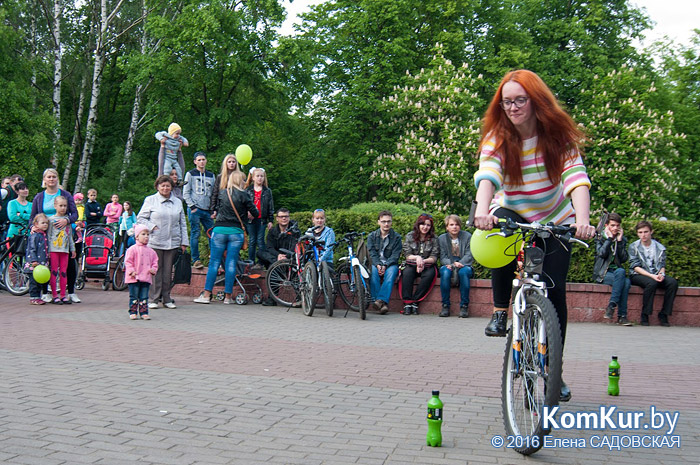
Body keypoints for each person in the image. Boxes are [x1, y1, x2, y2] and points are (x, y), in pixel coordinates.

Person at [472, 69, 595, 402]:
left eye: (519, 100)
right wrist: (482, 210)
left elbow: (576, 179)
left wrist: (582, 219)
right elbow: (488, 175)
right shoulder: (497, 137)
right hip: (511, 211)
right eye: (506, 101)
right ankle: (501, 311)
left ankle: (554, 370)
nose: (512, 107)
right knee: (500, 233)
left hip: (555, 218)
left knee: (555, 296)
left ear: (535, 100)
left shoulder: (556, 137)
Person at [194, 171, 258, 304]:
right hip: (236, 232)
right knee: (231, 264)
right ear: (240, 180)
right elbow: (255, 212)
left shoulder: (223, 193)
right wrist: (246, 214)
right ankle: (228, 297)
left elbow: (217, 208)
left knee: (214, 263)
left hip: (219, 230)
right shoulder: (244, 195)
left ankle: (206, 295)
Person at [137, 175, 188, 309]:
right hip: (155, 241)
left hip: (172, 241)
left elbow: (182, 222)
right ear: (157, 187)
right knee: (156, 270)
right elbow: (140, 218)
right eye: (162, 185)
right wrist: (152, 227)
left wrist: (184, 242)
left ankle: (167, 298)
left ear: (172, 187)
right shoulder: (151, 200)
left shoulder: (177, 202)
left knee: (168, 272)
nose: (165, 188)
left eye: (168, 186)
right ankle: (153, 298)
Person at [30, 168, 81, 303]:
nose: (51, 179)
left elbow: (75, 214)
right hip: (45, 235)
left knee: (69, 264)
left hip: (65, 233)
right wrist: (33, 227)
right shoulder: (39, 197)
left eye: (54, 177)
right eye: (49, 177)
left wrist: (67, 220)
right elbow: (33, 217)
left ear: (57, 178)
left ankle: (70, 292)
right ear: (44, 180)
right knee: (47, 264)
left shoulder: (66, 195)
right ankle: (46, 292)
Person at [629, 221, 678, 327]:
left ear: (651, 232)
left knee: (672, 283)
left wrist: (662, 275)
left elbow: (662, 265)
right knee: (651, 283)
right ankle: (645, 314)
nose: (643, 235)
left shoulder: (660, 247)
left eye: (646, 232)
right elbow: (635, 267)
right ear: (637, 234)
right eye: (640, 232)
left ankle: (664, 314)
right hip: (638, 275)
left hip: (655, 274)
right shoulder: (634, 246)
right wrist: (652, 276)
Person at [592, 213, 632, 326]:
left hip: (617, 274)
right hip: (603, 273)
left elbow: (624, 258)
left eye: (617, 226)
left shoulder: (622, 239)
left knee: (625, 280)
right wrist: (609, 239)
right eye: (613, 225)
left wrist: (619, 242)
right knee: (623, 277)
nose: (615, 228)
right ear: (606, 226)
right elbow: (601, 254)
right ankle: (622, 316)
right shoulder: (600, 238)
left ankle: (612, 306)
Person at [258, 208, 301, 306]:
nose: (284, 218)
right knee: (261, 253)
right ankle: (272, 299)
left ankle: (300, 298)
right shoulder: (272, 231)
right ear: (277, 219)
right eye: (281, 216)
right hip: (276, 258)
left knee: (273, 266)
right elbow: (269, 247)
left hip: (291, 258)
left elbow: (295, 246)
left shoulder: (295, 230)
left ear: (289, 218)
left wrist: (286, 256)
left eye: (286, 216)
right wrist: (278, 256)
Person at [183, 151, 216, 269]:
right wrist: (192, 206)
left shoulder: (211, 176)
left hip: (207, 210)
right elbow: (186, 192)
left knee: (212, 234)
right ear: (195, 161)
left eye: (203, 159)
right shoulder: (190, 174)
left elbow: (214, 193)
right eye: (199, 160)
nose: (201, 162)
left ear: (206, 161)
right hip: (195, 209)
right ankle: (196, 259)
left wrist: (213, 209)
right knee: (195, 233)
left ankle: (214, 258)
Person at [401, 213, 439, 315]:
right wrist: (417, 258)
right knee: (407, 273)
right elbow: (408, 255)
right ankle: (407, 303)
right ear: (418, 225)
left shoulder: (434, 238)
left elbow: (434, 257)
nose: (425, 227)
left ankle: (415, 302)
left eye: (428, 225)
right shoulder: (410, 236)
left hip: (427, 265)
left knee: (430, 275)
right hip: (412, 263)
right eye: (423, 224)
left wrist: (423, 261)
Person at [437, 214, 473, 318]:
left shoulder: (467, 237)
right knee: (445, 272)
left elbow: (469, 254)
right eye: (451, 225)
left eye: (457, 224)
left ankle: (464, 306)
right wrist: (452, 264)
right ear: (447, 227)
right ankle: (445, 305)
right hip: (448, 264)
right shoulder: (442, 239)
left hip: (464, 264)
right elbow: (442, 257)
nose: (454, 227)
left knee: (464, 273)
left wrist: (460, 263)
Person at [367, 210, 402, 315]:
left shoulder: (396, 237)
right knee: (373, 275)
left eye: (388, 221)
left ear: (391, 222)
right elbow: (372, 253)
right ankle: (382, 305)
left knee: (390, 275)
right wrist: (378, 265)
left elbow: (395, 255)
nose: (386, 224)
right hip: (375, 263)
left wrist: (385, 266)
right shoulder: (372, 236)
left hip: (390, 264)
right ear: (378, 222)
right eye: (383, 221)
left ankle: (378, 301)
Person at [124, 225, 159, 320]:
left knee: (144, 296)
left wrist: (153, 269)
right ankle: (133, 311)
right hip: (134, 277)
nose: (146, 236)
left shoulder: (151, 251)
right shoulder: (132, 249)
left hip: (146, 277)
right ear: (136, 236)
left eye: (148, 234)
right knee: (134, 296)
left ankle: (144, 312)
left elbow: (155, 262)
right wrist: (131, 271)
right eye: (143, 234)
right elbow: (128, 261)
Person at [47, 196, 76, 304]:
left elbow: (69, 236)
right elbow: (49, 236)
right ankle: (55, 295)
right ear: (55, 206)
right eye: (60, 205)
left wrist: (72, 248)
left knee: (63, 272)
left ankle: (63, 295)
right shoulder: (50, 220)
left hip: (65, 250)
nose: (63, 208)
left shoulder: (67, 220)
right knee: (54, 271)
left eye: (65, 206)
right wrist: (48, 250)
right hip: (54, 249)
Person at [245, 167, 275, 268]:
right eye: (257, 176)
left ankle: (261, 262)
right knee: (252, 240)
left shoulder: (267, 191)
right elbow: (244, 204)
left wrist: (271, 219)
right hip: (251, 219)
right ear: (253, 178)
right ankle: (251, 261)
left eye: (262, 176)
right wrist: (246, 212)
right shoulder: (248, 190)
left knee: (260, 240)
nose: (260, 178)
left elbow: (270, 206)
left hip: (262, 219)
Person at [25, 213, 50, 305]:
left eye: (46, 223)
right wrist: (33, 260)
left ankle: (38, 297)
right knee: (34, 282)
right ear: (36, 224)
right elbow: (32, 249)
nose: (45, 225)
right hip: (34, 263)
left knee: (39, 281)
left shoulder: (43, 235)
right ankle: (33, 298)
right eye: (43, 223)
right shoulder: (35, 235)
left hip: (42, 263)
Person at [210, 153, 241, 219]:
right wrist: (213, 209)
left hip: (236, 206)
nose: (231, 164)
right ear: (226, 163)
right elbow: (215, 193)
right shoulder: (220, 177)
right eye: (229, 162)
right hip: (222, 207)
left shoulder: (240, 176)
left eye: (233, 162)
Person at [0, 174, 23, 241]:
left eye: (21, 180)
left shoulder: (18, 194)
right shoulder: (5, 191)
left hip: (8, 225)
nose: (20, 181)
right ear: (11, 182)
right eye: (18, 179)